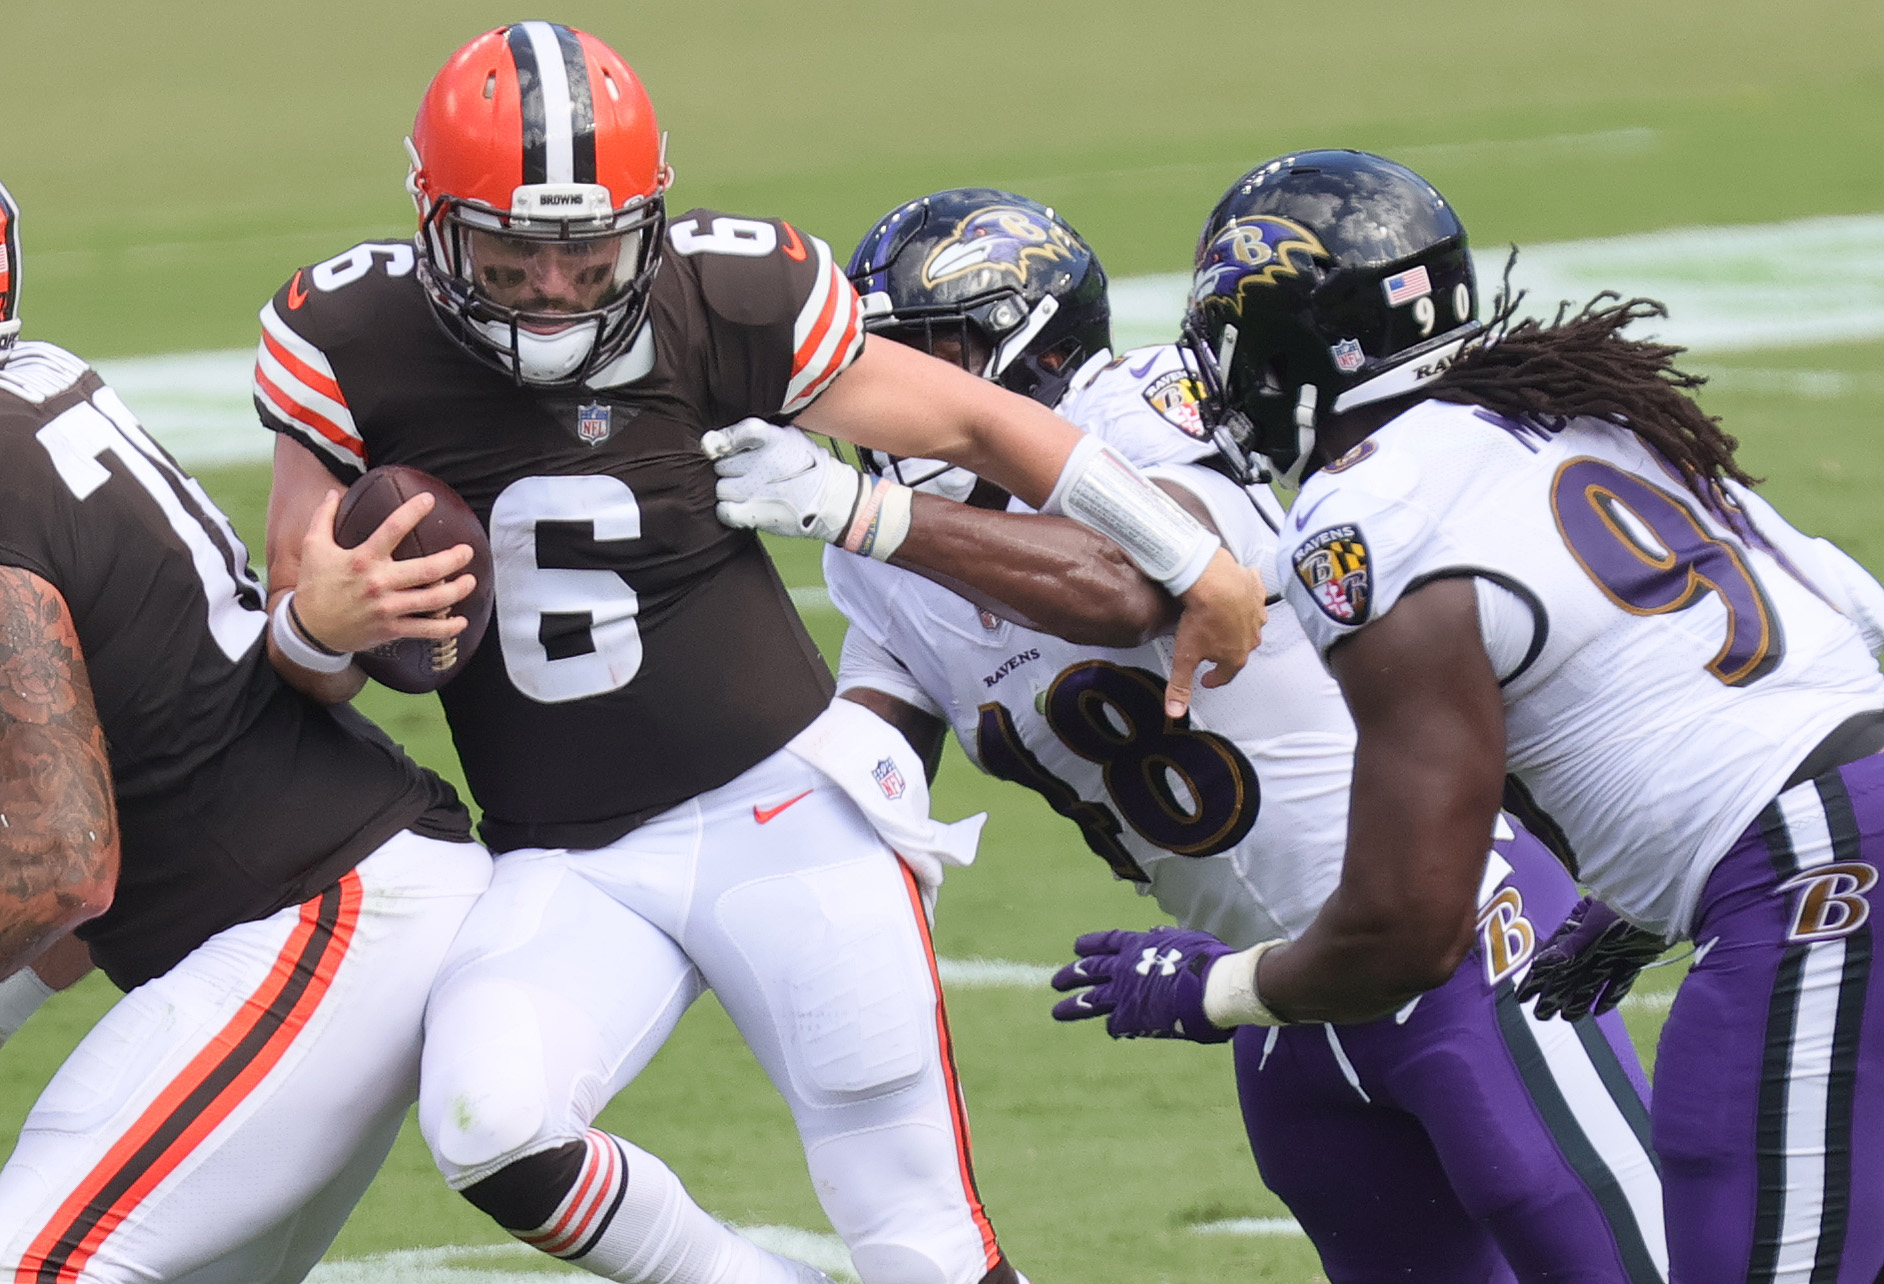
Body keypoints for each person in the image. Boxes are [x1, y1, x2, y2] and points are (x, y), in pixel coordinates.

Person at [252, 24, 1266, 1284]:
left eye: (588, 254)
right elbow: (308, 650)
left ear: (647, 221)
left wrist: (1191, 557)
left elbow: (981, 422)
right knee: (489, 1126)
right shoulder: (348, 332)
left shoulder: (734, 294)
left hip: (785, 811)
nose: (557, 290)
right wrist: (317, 624)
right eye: (514, 257)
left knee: (923, 1241)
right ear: (434, 223)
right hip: (563, 858)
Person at [709, 186, 1666, 1283]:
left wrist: (861, 511)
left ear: (1038, 341)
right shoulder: (886, 561)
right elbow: (864, 772)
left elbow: (1138, 583)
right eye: (881, 358)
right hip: (1277, 989)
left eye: (931, 351)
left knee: (1618, 1261)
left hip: (1451, 916)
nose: (894, 393)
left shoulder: (1142, 402)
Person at [1115, 147, 1884, 1281]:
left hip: (1814, 877)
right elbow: (1855, 615)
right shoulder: (1578, 407)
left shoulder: (1364, 516)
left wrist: (1217, 989)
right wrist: (1644, 886)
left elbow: (1407, 930)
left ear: (1286, 350)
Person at [0, 178, 492, 1283]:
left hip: (315, 915)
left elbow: (63, 863)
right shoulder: (35, 388)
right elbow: (105, 842)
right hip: (328, 908)